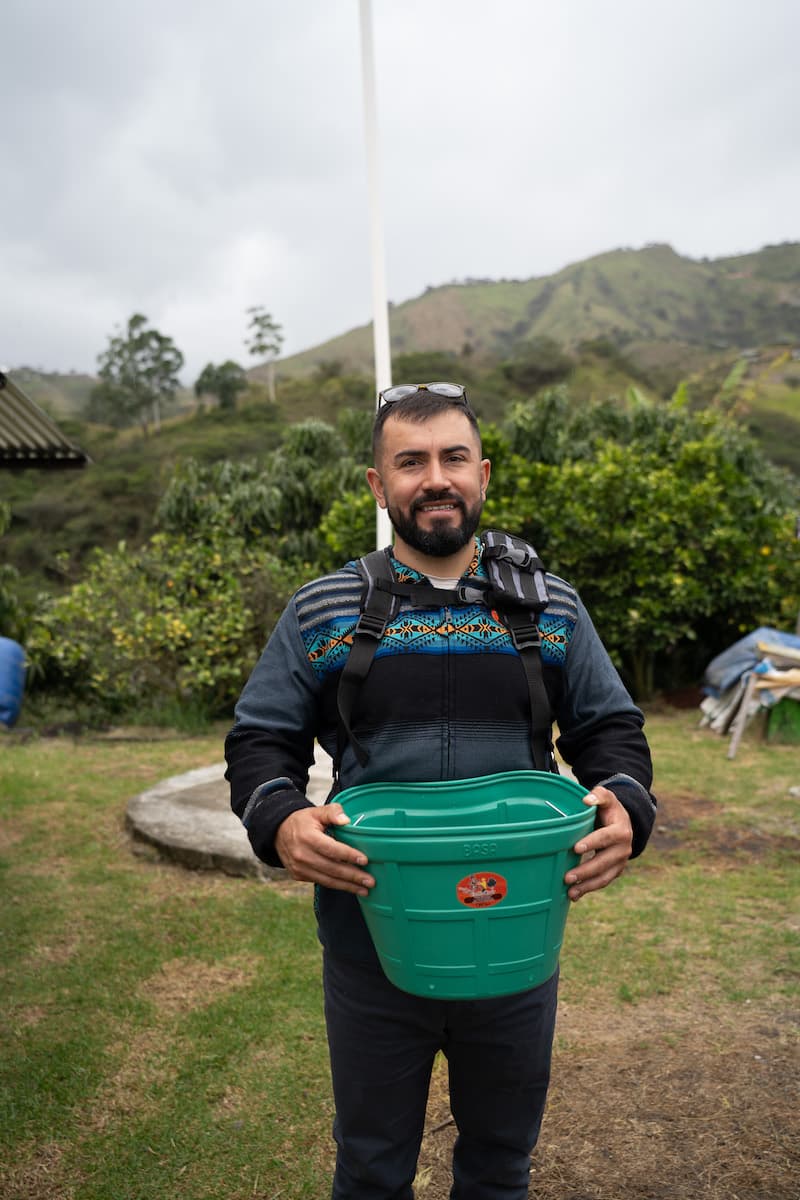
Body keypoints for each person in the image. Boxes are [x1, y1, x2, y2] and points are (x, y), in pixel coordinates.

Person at [225, 382, 656, 1200]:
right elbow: (260, 741)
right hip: (369, 940)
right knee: (372, 1163)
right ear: (376, 484)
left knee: (500, 1164)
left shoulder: (550, 606)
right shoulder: (324, 609)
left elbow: (610, 731)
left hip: (516, 935)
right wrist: (280, 820)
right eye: (410, 461)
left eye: (454, 458)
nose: (436, 478)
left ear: (482, 474)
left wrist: (627, 807)